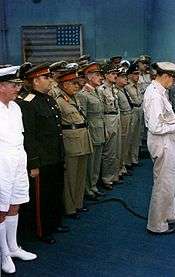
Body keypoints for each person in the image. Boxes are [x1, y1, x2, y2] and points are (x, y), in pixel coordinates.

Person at [21, 63, 69, 244]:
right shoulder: (28, 103)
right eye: (46, 78)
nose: (50, 81)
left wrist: (61, 154)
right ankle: (42, 230)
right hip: (42, 159)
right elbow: (29, 136)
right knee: (42, 197)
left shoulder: (49, 100)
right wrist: (33, 163)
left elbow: (56, 132)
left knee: (55, 192)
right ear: (35, 80)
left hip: (55, 156)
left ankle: (54, 223)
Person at [143, 62, 175, 234]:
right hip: (162, 143)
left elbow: (163, 118)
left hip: (167, 142)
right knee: (162, 183)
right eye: (173, 79)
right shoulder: (155, 95)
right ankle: (156, 224)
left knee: (169, 180)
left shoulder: (160, 92)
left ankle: (169, 215)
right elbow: (155, 127)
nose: (174, 83)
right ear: (165, 76)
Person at [0, 66, 37, 274]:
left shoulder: (15, 107)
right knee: (1, 209)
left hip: (17, 161)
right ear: (1, 86)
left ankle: (13, 247)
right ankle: (3, 253)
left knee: (15, 204)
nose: (17, 89)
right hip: (1, 164)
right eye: (13, 85)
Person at [55, 69, 93, 218]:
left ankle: (78, 203)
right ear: (64, 84)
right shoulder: (59, 101)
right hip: (71, 141)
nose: (77, 86)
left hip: (82, 138)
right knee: (70, 177)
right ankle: (70, 208)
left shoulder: (74, 98)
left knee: (80, 175)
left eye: (77, 84)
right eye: (73, 84)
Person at [76, 62, 105, 199]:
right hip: (92, 132)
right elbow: (83, 117)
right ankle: (87, 188)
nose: (101, 78)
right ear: (89, 77)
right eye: (98, 75)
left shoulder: (97, 91)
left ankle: (93, 185)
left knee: (97, 160)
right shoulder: (83, 94)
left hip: (100, 130)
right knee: (90, 162)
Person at [98, 63, 121, 188]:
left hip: (116, 117)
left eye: (116, 74)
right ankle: (106, 178)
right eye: (112, 74)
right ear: (106, 75)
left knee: (116, 149)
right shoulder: (101, 90)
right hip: (108, 118)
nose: (115, 76)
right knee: (109, 151)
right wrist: (105, 127)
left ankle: (114, 175)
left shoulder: (113, 88)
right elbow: (100, 111)